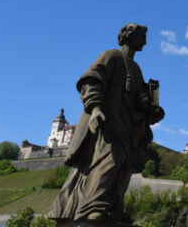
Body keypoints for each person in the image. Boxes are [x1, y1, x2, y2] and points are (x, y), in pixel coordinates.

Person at [49, 23, 165, 224]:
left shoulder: (136, 70)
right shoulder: (111, 56)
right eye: (141, 37)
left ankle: (110, 211)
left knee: (122, 169)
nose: (145, 42)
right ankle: (90, 212)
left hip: (127, 131)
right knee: (106, 164)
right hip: (107, 126)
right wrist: (95, 108)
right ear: (129, 37)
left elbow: (137, 104)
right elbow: (91, 81)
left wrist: (146, 104)